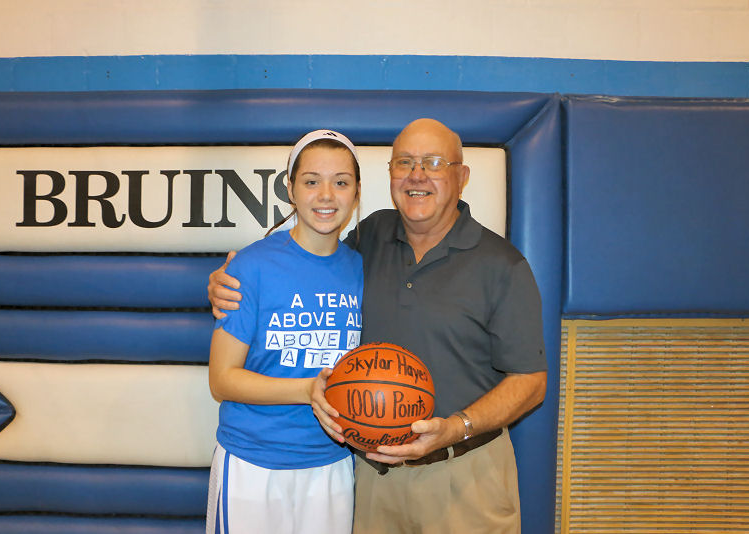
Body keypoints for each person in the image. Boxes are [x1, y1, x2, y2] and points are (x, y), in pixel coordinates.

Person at [208, 119, 547, 534]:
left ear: (462, 177)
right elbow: (300, 265)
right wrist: (226, 279)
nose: (417, 174)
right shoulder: (369, 240)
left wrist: (455, 428)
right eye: (404, 162)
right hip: (372, 477)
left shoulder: (502, 264)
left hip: (463, 473)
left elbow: (531, 382)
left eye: (434, 162)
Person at [205, 129, 364, 534]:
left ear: (356, 192)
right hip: (253, 463)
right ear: (291, 189)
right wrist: (308, 390)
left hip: (331, 463)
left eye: (340, 182)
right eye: (311, 181)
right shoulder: (251, 266)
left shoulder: (363, 269)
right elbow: (221, 380)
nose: (326, 195)